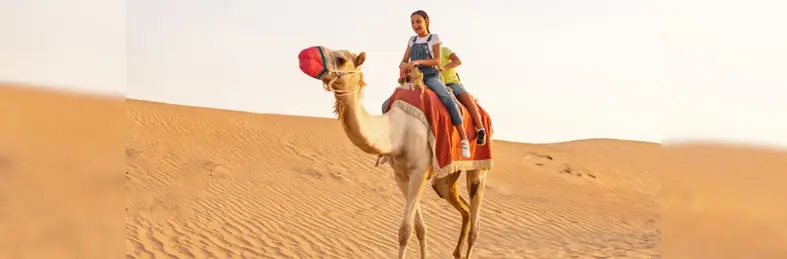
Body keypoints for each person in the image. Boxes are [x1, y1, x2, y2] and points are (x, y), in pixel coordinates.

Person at [381, 10, 472, 158]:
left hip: (430, 76)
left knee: (448, 99)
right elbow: (404, 59)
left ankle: (464, 139)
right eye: (412, 22)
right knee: (387, 104)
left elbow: (436, 61)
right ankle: (389, 141)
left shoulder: (434, 38)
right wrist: (403, 65)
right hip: (414, 77)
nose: (415, 25)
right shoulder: (412, 40)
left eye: (418, 21)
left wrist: (417, 61)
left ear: (426, 21)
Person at [438, 46, 487, 146]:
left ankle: (481, 129)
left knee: (468, 100)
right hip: (435, 84)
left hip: (452, 82)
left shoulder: (444, 50)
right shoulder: (424, 55)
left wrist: (444, 68)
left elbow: (457, 61)